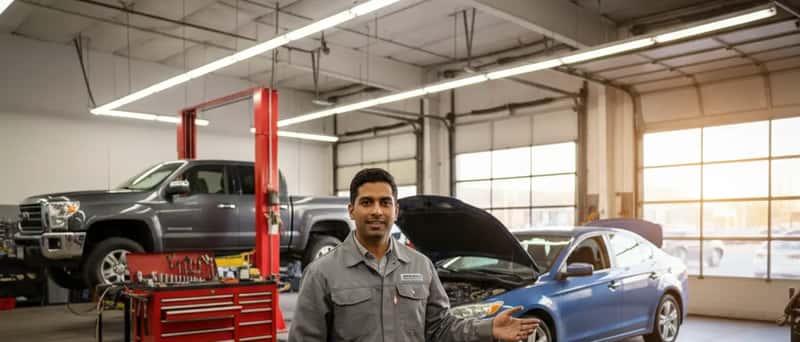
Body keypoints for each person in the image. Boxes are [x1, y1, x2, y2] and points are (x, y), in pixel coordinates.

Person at [289, 168, 540, 342]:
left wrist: (488, 328)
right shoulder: (322, 273)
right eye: (367, 202)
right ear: (351, 210)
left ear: (396, 211)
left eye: (385, 202)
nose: (377, 211)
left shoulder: (421, 266)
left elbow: (440, 328)